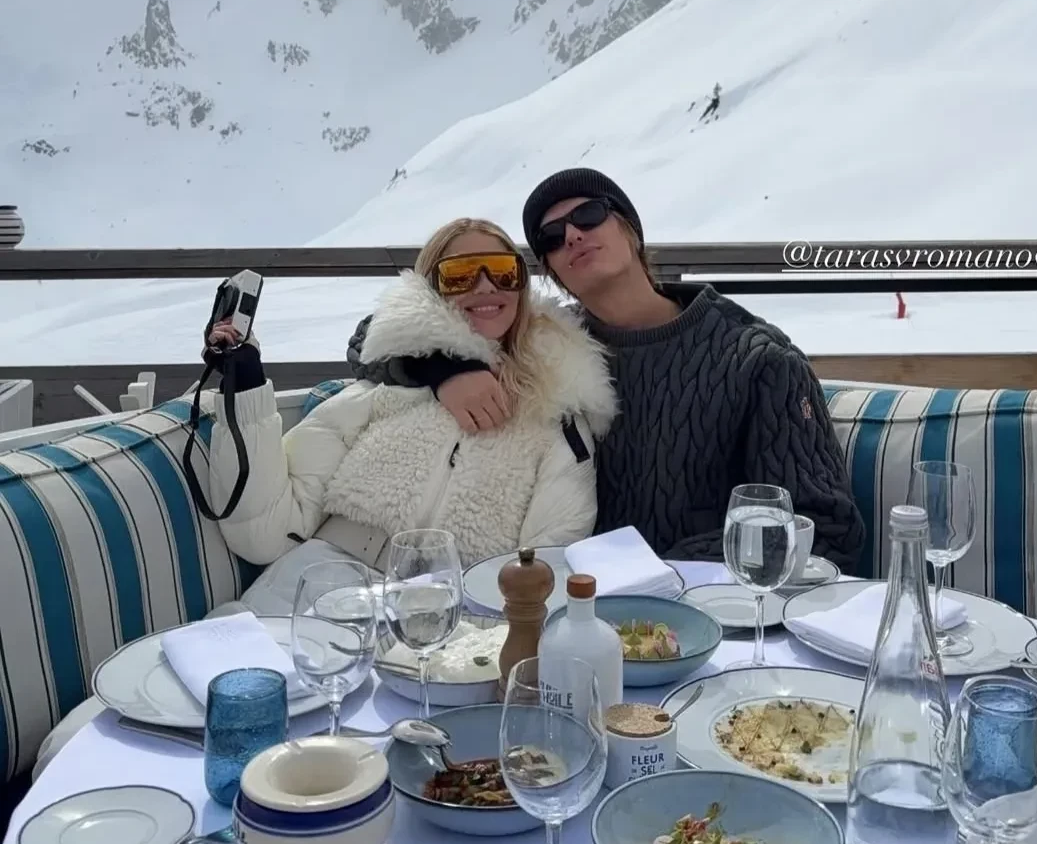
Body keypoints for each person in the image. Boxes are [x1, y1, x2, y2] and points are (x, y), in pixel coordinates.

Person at [348, 171, 864, 570]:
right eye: (551, 237)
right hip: (564, 603)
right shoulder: (547, 346)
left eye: (589, 215)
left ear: (631, 231)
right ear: (551, 272)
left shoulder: (756, 359)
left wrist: (660, 570)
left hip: (707, 611)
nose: (572, 235)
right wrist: (444, 367)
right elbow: (369, 340)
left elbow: (824, 527)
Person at [206, 216, 616, 598]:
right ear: (430, 289)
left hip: (449, 617)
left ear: (521, 285)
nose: (485, 285)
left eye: (503, 270)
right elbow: (265, 532)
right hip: (313, 592)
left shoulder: (554, 418)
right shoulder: (381, 390)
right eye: (460, 274)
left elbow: (542, 573)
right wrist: (244, 381)